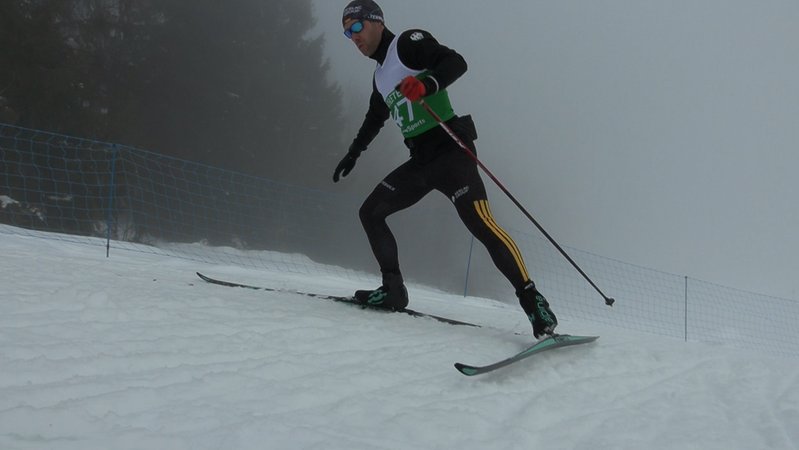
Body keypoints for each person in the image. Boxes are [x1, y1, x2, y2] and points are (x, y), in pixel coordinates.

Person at [334, 0, 558, 339]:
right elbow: (374, 119)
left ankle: (534, 303)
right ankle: (393, 291)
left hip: (452, 150)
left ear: (377, 22)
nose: (353, 38)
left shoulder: (407, 44)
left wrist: (427, 85)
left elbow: (455, 62)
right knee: (371, 212)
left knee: (481, 225)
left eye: (356, 27)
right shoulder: (380, 77)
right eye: (346, 33)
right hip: (421, 161)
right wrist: (353, 154)